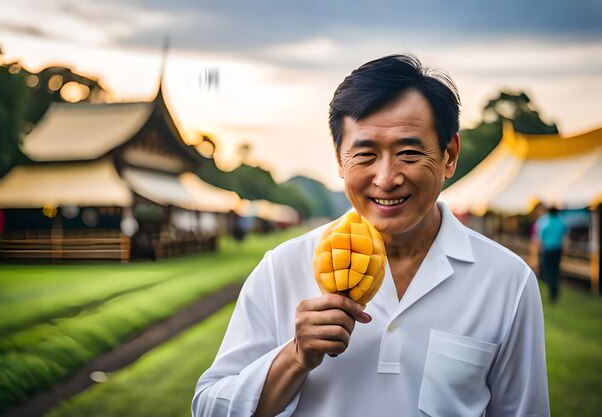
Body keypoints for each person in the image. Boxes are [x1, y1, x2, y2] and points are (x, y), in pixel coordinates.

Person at [193, 54, 549, 416]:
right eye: (365, 154)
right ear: (339, 159)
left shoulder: (507, 281)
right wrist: (294, 356)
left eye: (409, 153)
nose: (386, 177)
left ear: (449, 155)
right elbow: (207, 406)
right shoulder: (282, 269)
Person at [533, 206, 567, 303]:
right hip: (557, 249)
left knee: (548, 270)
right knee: (555, 270)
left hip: (547, 249)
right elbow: (564, 235)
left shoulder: (544, 221)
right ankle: (554, 291)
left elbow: (540, 236)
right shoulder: (561, 221)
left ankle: (552, 290)